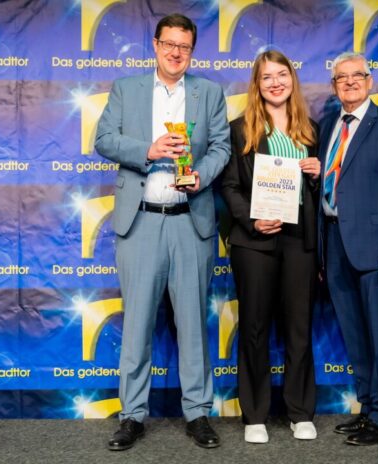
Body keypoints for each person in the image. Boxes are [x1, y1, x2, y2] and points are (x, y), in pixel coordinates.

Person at [95, 13, 230, 450]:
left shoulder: (209, 92)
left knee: (193, 324)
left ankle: (198, 414)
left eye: (185, 46)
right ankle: (132, 415)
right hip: (141, 223)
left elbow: (222, 148)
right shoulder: (126, 88)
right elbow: (104, 139)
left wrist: (202, 176)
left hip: (191, 222)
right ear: (155, 45)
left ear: (193, 50)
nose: (176, 53)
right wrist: (147, 151)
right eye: (169, 44)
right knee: (136, 326)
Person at [220, 50, 321, 444]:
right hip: (255, 241)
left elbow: (325, 191)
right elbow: (228, 186)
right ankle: (255, 414)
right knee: (255, 327)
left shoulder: (310, 130)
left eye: (282, 74)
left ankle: (300, 411)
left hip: (299, 238)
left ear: (292, 80)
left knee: (299, 326)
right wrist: (251, 219)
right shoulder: (239, 129)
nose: (276, 82)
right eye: (267, 77)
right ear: (257, 85)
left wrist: (316, 175)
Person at [319, 52, 378, 445]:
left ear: (370, 80)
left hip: (376, 250)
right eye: (341, 77)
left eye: (357, 75)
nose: (350, 82)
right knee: (355, 335)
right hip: (334, 243)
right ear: (334, 85)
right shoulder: (328, 124)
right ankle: (366, 406)